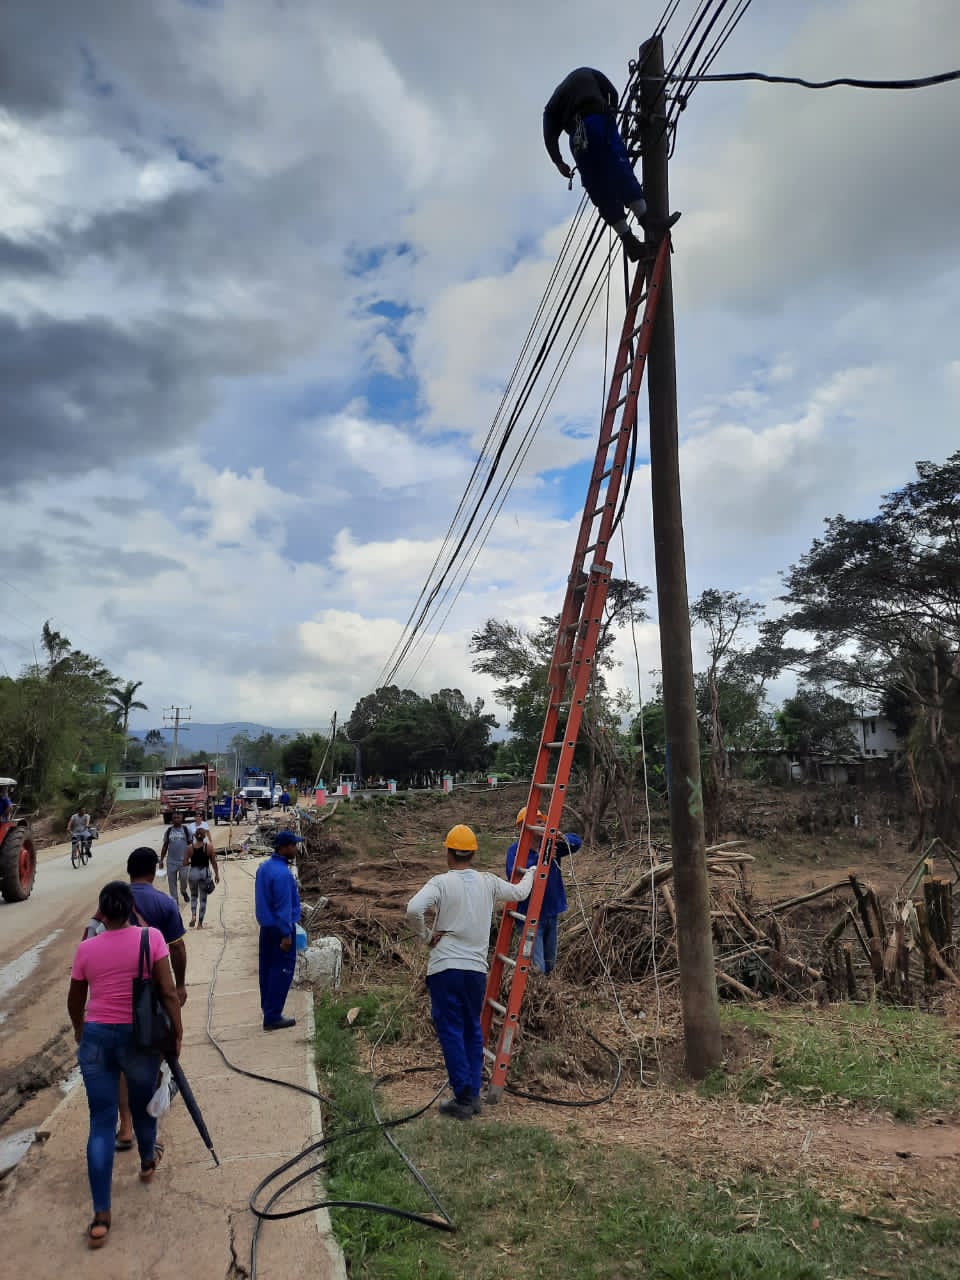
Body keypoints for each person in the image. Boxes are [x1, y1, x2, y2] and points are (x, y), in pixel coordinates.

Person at [68, 880, 183, 1249]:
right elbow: (167, 992)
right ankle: (147, 1162)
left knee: (101, 1122)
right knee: (141, 1106)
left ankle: (101, 1217)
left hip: (98, 1039)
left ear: (102, 912)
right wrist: (176, 1035)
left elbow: (75, 1000)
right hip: (138, 1039)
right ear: (131, 908)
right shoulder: (151, 940)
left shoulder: (86, 949)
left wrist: (79, 1030)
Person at [406, 824, 536, 1120]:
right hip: (475, 971)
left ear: (449, 853)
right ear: (473, 853)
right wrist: (531, 871)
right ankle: (473, 1095)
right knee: (472, 1029)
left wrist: (426, 936)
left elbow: (413, 909)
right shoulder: (488, 881)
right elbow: (519, 891)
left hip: (445, 970)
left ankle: (463, 1098)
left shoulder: (440, 882)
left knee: (451, 1030)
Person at [543, 66, 677, 262]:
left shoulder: (555, 101)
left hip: (578, 141)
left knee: (599, 188)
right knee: (618, 169)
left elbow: (548, 128)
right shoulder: (585, 73)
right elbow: (612, 93)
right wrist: (611, 115)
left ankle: (629, 242)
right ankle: (649, 222)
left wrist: (558, 161)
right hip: (597, 121)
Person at [114, 846, 189, 1151]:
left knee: (121, 1061)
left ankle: (126, 1126)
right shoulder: (164, 903)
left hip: (117, 991)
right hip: (153, 992)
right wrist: (180, 985)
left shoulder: (113, 903)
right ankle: (148, 1115)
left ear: (129, 870)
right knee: (154, 1053)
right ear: (155, 868)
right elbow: (178, 948)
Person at [506, 807, 582, 976]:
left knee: (550, 962)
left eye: (543, 822)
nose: (541, 825)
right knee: (536, 966)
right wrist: (540, 858)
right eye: (537, 822)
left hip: (551, 911)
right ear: (523, 827)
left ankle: (544, 996)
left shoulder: (551, 844)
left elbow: (577, 843)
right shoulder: (515, 851)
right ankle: (530, 995)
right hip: (529, 916)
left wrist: (563, 838)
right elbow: (514, 876)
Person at [254, 830, 302, 1031]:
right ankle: (273, 1016)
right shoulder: (282, 874)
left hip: (266, 928)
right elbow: (283, 907)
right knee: (281, 971)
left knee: (267, 970)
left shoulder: (264, 868)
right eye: (293, 845)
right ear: (284, 848)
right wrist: (286, 934)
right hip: (279, 929)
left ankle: (268, 1008)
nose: (296, 849)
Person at [186, 823, 219, 929]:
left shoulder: (190, 848)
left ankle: (193, 915)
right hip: (204, 873)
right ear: (204, 836)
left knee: (194, 896)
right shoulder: (208, 847)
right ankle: (200, 924)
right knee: (203, 899)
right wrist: (217, 874)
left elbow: (184, 863)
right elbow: (214, 862)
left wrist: (192, 862)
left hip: (193, 873)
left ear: (195, 836)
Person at [159, 812, 191, 903]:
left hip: (184, 862)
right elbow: (165, 846)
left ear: (182, 819)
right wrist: (161, 860)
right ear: (172, 819)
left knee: (184, 880)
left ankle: (183, 891)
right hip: (171, 862)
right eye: (174, 818)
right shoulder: (169, 831)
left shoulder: (186, 830)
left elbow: (190, 845)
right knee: (171, 883)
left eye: (178, 817)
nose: (176, 819)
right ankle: (174, 901)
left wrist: (191, 858)